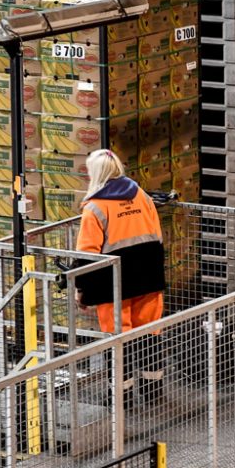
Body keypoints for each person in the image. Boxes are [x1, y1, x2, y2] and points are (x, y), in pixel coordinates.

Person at [75, 148, 165, 400]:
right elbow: (157, 237)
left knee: (118, 339)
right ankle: (152, 390)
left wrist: (81, 289)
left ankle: (121, 396)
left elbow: (87, 254)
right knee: (150, 332)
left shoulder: (94, 208)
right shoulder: (142, 196)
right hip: (148, 277)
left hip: (113, 284)